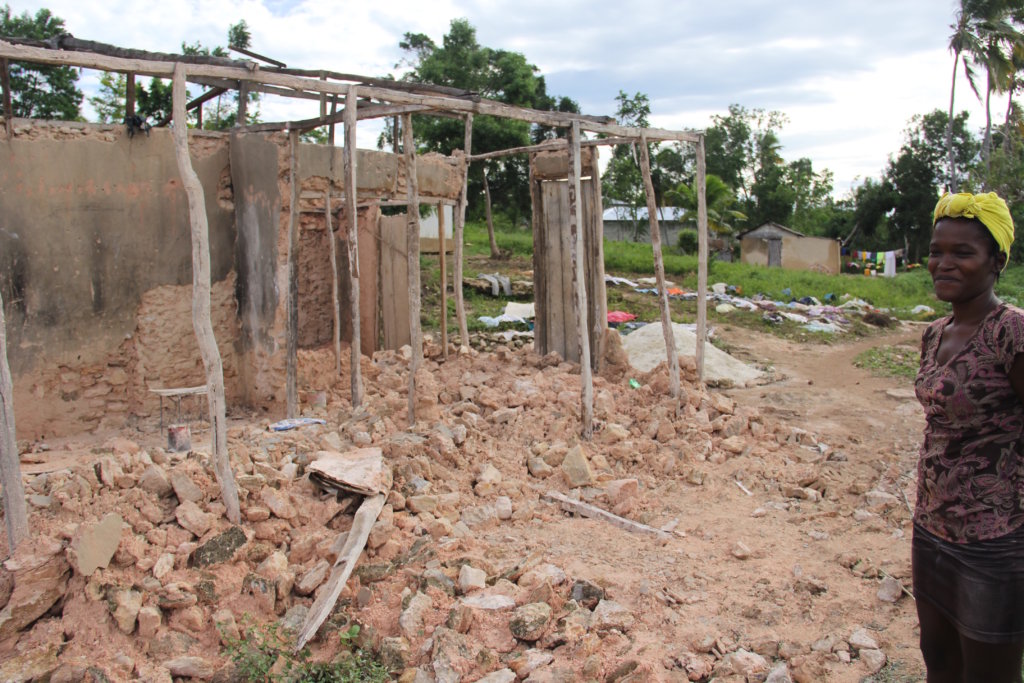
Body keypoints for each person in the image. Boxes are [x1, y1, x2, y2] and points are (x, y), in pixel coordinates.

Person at [913, 191, 1024, 682]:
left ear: (996, 261)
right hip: (931, 526)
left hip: (995, 538)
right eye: (938, 250)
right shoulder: (935, 334)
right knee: (939, 659)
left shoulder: (1011, 332)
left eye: (963, 253)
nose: (944, 263)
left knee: (988, 674)